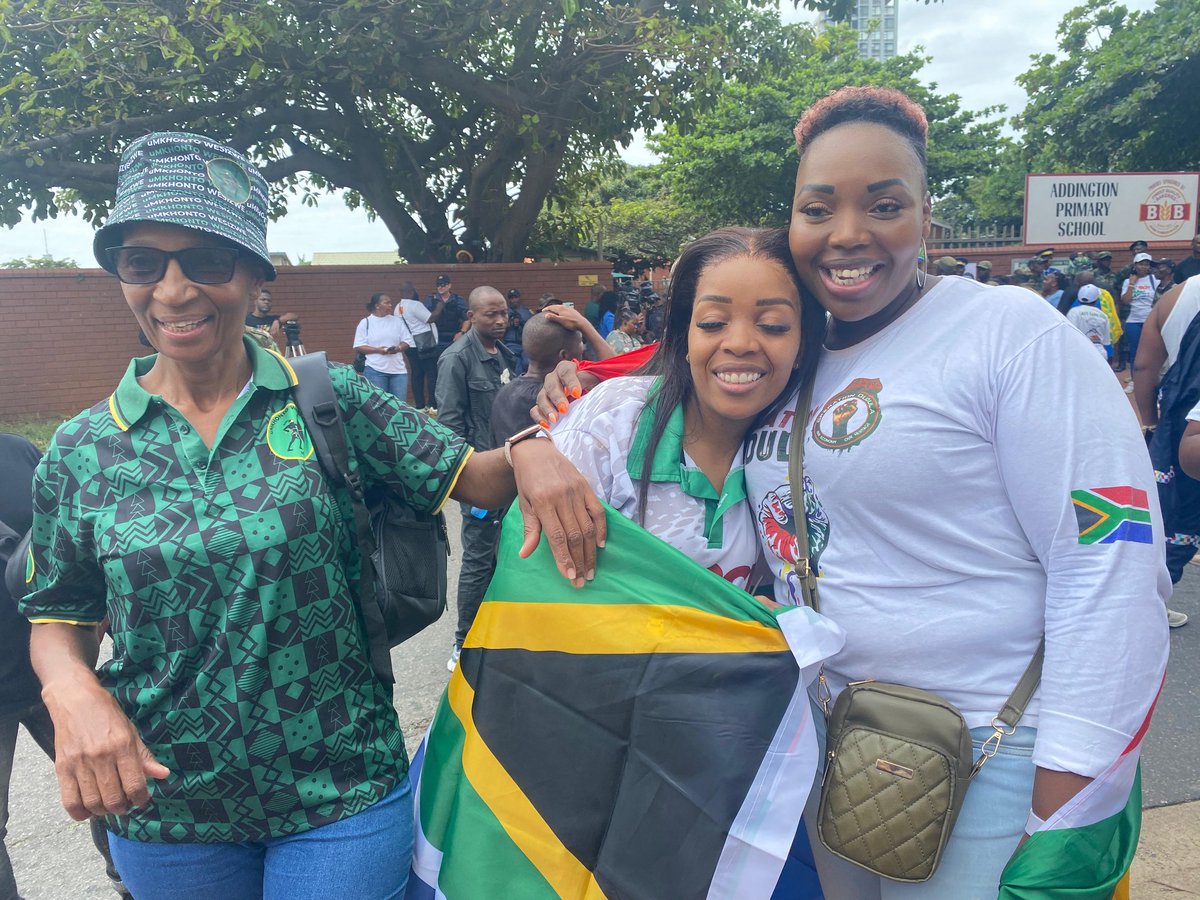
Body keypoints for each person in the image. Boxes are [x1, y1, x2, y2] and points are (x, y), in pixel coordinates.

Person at [536, 86, 1170, 898]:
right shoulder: (792, 352)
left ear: (925, 218)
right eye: (818, 207)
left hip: (992, 755)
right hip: (830, 749)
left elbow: (1109, 559)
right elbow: (652, 391)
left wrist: (1072, 800)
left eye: (884, 204)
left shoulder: (1010, 333)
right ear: (792, 222)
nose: (848, 234)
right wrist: (535, 436)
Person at [16, 132, 603, 900]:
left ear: (257, 276)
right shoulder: (82, 449)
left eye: (205, 261)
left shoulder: (328, 401)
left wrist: (532, 448)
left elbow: (480, 481)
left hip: (342, 789)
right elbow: (58, 614)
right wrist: (72, 693)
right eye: (143, 263)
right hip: (167, 805)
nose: (173, 290)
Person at [435, 287, 518, 672]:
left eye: (503, 313)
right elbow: (448, 427)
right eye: (490, 315)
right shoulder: (456, 360)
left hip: (512, 474)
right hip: (482, 481)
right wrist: (467, 487)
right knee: (479, 561)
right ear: (471, 315)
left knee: (509, 557)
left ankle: (499, 632)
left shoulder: (505, 355)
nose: (500, 321)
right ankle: (463, 642)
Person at [354, 292, 411, 399]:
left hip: (398, 371)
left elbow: (407, 341)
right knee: (378, 407)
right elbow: (359, 346)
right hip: (375, 370)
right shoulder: (365, 323)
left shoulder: (397, 321)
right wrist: (378, 350)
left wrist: (398, 348)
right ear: (377, 305)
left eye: (390, 303)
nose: (390, 305)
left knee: (400, 406)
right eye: (387, 303)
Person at [423, 275, 470, 400]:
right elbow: (424, 319)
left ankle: (454, 400)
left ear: (449, 285)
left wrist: (462, 333)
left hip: (452, 340)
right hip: (434, 340)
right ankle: (434, 402)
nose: (440, 287)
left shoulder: (457, 300)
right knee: (433, 372)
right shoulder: (430, 299)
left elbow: (467, 319)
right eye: (438, 284)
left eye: (443, 284)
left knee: (453, 370)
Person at [395, 280, 438, 413]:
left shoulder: (397, 307)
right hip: (425, 344)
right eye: (415, 290)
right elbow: (430, 318)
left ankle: (419, 405)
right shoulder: (415, 305)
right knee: (432, 374)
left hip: (410, 346)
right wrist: (441, 305)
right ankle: (433, 405)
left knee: (417, 374)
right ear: (411, 292)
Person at [1119, 251, 1160, 388]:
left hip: (1150, 320)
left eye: (1147, 264)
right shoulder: (1127, 281)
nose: (1144, 267)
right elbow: (1125, 300)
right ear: (1135, 265)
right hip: (1133, 320)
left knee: (1153, 351)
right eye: (1141, 264)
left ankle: (1151, 381)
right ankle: (1134, 381)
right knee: (1135, 352)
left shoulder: (1155, 280)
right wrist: (1132, 284)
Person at [1066, 284, 1112, 359]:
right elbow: (1106, 342)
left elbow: (1070, 335)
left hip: (1080, 352)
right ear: (1097, 299)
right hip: (1100, 354)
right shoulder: (1103, 315)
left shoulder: (1073, 312)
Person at [502, 288, 532, 374]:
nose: (513, 300)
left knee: (527, 363)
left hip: (525, 343)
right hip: (511, 343)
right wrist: (510, 323)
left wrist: (521, 322)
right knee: (515, 366)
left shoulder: (526, 312)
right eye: (511, 298)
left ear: (519, 298)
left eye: (515, 297)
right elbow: (500, 329)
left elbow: (531, 327)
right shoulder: (505, 313)